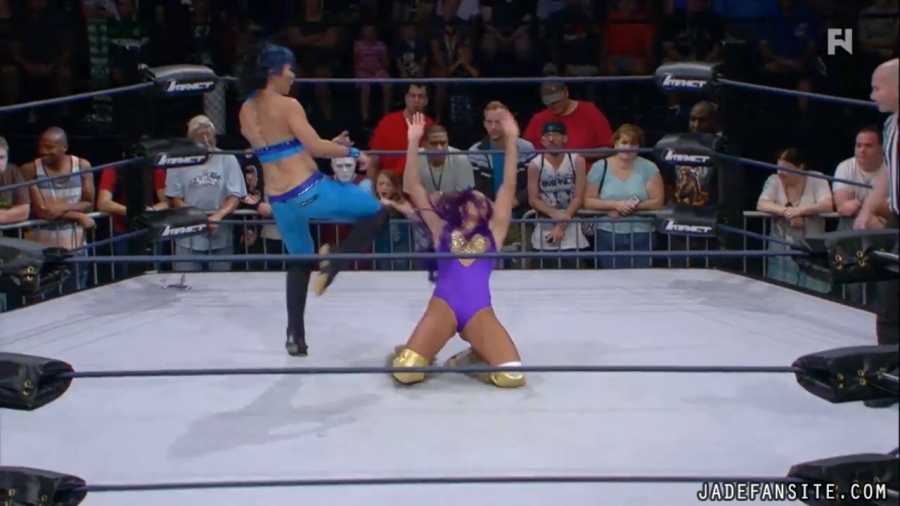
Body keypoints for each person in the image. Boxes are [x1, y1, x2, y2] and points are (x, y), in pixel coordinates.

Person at [238, 43, 391, 357]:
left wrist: (327, 144)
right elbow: (315, 147)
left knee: (300, 260)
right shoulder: (287, 104)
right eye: (289, 69)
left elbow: (280, 148)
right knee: (379, 212)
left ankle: (295, 337)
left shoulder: (246, 109)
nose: (293, 76)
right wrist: (354, 152)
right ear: (274, 72)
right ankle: (335, 259)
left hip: (279, 199)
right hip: (309, 190)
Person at [384, 111, 525, 389]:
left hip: (479, 312)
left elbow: (508, 187)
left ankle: (472, 358)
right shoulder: (441, 230)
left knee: (512, 376)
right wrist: (413, 141)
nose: (479, 199)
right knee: (406, 373)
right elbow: (414, 187)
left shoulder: (493, 235)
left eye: (483, 199)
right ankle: (414, 351)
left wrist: (511, 140)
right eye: (472, 197)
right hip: (443, 308)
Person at [855, 58, 898, 408]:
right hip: (896, 221)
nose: (872, 95)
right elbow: (888, 171)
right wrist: (869, 208)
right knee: (889, 302)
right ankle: (890, 379)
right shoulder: (891, 124)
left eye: (877, 87)